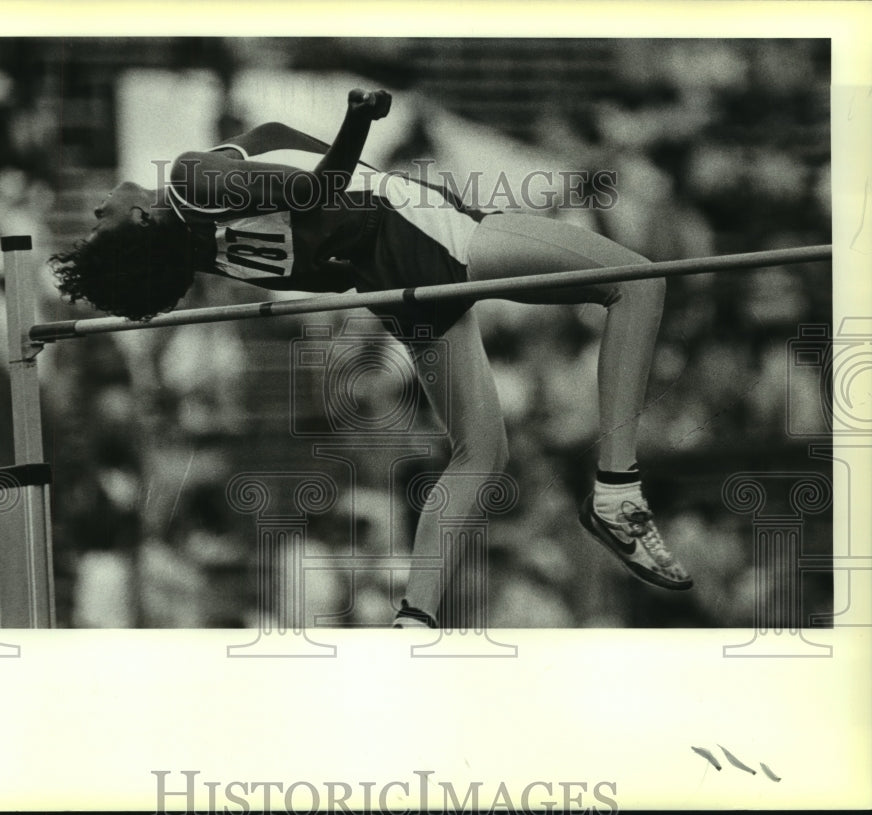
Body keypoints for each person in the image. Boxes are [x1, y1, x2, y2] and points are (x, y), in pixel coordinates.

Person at [50, 88, 692, 629]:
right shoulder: (192, 181)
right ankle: (617, 491)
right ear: (138, 223)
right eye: (102, 225)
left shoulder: (201, 249)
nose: (99, 209)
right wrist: (360, 119)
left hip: (392, 280)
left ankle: (414, 622)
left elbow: (309, 226)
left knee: (480, 454)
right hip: (414, 231)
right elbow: (321, 190)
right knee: (638, 280)